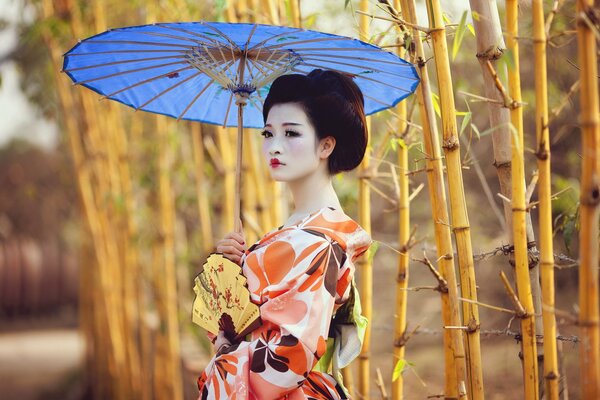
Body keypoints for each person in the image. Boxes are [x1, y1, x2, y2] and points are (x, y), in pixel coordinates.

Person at [197, 69, 372, 400]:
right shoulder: (296, 230)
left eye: (291, 133)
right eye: (267, 134)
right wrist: (230, 269)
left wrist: (225, 351)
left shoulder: (322, 241)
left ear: (326, 145)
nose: (274, 147)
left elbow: (287, 360)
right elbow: (243, 322)